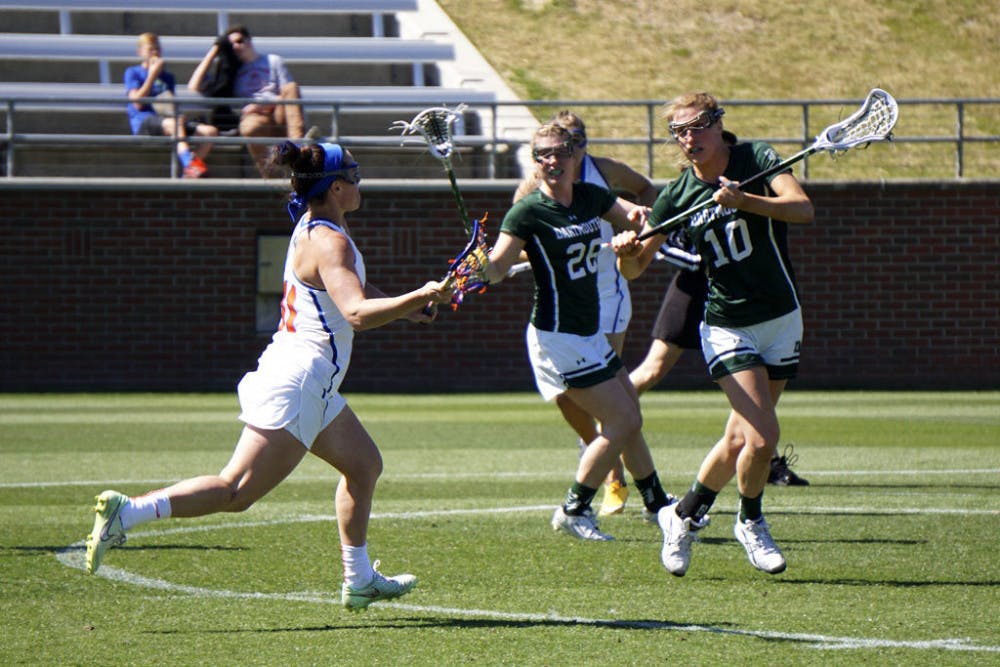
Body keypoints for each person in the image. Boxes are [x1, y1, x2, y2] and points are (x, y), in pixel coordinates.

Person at [84, 141, 454, 611]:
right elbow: (357, 313)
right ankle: (129, 511)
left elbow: (349, 290)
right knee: (236, 492)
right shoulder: (330, 240)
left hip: (310, 380)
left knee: (364, 466)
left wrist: (406, 308)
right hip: (301, 379)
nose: (360, 183)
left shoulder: (321, 228)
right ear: (336, 188)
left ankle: (358, 579)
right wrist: (417, 294)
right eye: (354, 177)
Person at [615, 92, 815, 576]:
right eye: (679, 132)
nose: (689, 138)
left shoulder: (756, 158)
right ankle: (751, 520)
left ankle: (680, 517)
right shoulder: (679, 195)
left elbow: (801, 208)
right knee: (764, 439)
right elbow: (636, 268)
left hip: (781, 316)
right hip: (727, 324)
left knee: (736, 441)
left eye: (697, 126)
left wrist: (744, 199)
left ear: (718, 124)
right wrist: (624, 250)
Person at [480, 122, 675, 542]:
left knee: (629, 418)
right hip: (557, 336)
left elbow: (633, 223)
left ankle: (658, 504)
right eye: (543, 154)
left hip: (588, 331)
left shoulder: (590, 197)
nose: (552, 160)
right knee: (622, 418)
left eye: (560, 152)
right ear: (535, 163)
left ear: (575, 156)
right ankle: (575, 506)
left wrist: (634, 233)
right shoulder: (528, 211)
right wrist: (482, 264)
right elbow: (496, 269)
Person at [512, 110, 659, 517]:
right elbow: (513, 246)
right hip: (562, 310)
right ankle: (606, 462)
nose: (564, 155)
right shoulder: (530, 195)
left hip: (606, 299)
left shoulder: (600, 180)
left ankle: (628, 488)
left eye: (573, 144)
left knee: (621, 406)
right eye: (552, 150)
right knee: (586, 403)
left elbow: (643, 199)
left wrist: (638, 231)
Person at [629, 234, 810, 487]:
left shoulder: (742, 194)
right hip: (697, 282)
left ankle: (768, 459)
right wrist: (705, 256)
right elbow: (664, 243)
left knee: (759, 377)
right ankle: (609, 417)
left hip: (739, 286)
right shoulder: (684, 195)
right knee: (653, 368)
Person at [188, 24, 305, 177]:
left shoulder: (273, 60)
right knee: (249, 127)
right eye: (231, 45)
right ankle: (270, 176)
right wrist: (215, 50)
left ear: (249, 40)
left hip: (278, 112)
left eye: (239, 41)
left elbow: (288, 93)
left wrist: (262, 105)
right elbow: (193, 86)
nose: (236, 46)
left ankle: (298, 148)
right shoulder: (232, 72)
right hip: (254, 118)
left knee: (291, 87)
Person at [125, 32, 218, 178]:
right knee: (173, 124)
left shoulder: (168, 77)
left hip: (168, 120)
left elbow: (169, 104)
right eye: (151, 49)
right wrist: (152, 75)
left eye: (158, 49)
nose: (155, 52)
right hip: (144, 121)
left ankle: (188, 174)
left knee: (210, 132)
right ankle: (189, 162)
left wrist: (177, 114)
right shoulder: (133, 73)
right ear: (140, 52)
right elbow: (137, 103)